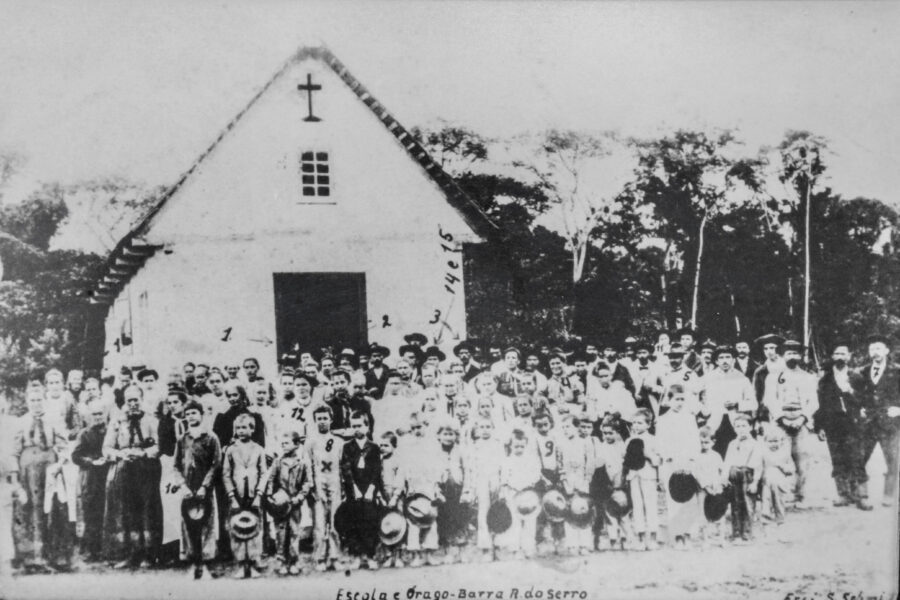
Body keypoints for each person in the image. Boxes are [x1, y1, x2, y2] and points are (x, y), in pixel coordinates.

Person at [103, 384, 160, 568]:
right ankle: (129, 554)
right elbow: (107, 448)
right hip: (125, 470)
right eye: (129, 401)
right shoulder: (117, 421)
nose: (133, 404)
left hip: (146, 470)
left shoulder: (151, 420)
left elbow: (159, 447)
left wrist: (144, 453)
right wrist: (121, 454)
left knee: (146, 511)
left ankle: (148, 554)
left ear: (141, 400)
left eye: (136, 400)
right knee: (126, 512)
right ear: (125, 403)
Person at [14, 384, 65, 568]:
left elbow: (63, 444)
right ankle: (34, 557)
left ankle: (53, 556)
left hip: (49, 468)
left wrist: (59, 464)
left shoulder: (54, 419)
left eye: (39, 400)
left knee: (51, 508)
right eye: (32, 400)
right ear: (27, 402)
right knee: (31, 509)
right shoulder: (21, 421)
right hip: (28, 469)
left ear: (44, 400)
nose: (36, 404)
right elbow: (15, 450)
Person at [763, 340, 818, 508]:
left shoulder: (808, 377)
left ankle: (801, 496)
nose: (792, 356)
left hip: (801, 421)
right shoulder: (774, 376)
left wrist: (802, 418)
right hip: (781, 421)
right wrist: (783, 419)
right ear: (783, 355)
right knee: (780, 459)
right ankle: (782, 496)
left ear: (800, 356)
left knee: (803, 460)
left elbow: (814, 402)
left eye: (796, 353)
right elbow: (769, 400)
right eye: (789, 353)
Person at [173, 399, 221, 580]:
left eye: (194, 413)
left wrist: (205, 486)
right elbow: (176, 465)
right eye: (187, 414)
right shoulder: (182, 439)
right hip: (188, 488)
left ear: (201, 414)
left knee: (206, 525)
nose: (190, 416)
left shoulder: (211, 437)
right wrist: (182, 485)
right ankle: (193, 563)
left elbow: (216, 464)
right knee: (188, 525)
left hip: (204, 490)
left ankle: (206, 564)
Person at [815, 344, 866, 507]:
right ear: (832, 356)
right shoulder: (825, 380)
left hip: (852, 424)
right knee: (838, 459)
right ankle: (843, 494)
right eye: (836, 353)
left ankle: (861, 496)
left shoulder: (857, 378)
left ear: (849, 356)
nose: (839, 356)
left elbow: (864, 402)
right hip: (832, 425)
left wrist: (850, 391)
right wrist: (820, 427)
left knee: (856, 458)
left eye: (843, 353)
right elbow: (820, 405)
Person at [857, 334, 900, 509]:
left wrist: (899, 409)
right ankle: (862, 495)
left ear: (887, 351)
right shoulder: (861, 372)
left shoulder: (897, 371)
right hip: (867, 423)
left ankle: (888, 495)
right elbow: (855, 395)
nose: (876, 352)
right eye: (872, 349)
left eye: (879, 348)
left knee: (892, 460)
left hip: (889, 424)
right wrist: (858, 408)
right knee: (859, 458)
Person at [656, 385, 701, 550]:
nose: (680, 403)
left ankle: (689, 534)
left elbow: (695, 442)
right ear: (669, 400)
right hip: (671, 464)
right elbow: (661, 443)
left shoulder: (689, 418)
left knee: (689, 499)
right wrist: (672, 460)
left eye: (682, 399)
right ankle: (678, 535)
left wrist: (690, 461)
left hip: (687, 463)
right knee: (674, 499)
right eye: (677, 399)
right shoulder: (663, 420)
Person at [222, 413, 267, 578]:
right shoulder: (230, 450)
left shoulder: (259, 449)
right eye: (238, 428)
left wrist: (259, 495)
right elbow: (226, 475)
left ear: (252, 429)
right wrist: (232, 497)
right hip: (237, 496)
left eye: (244, 427)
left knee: (255, 529)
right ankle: (241, 564)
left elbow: (264, 473)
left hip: (254, 495)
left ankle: (254, 563)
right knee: (237, 528)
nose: (241, 431)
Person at [339, 411, 384, 569]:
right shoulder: (347, 447)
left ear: (367, 426)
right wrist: (354, 489)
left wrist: (372, 488)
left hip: (369, 488)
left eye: (360, 425)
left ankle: (370, 555)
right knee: (354, 521)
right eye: (354, 426)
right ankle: (357, 555)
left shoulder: (374, 447)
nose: (357, 429)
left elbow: (377, 470)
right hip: (354, 489)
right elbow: (346, 469)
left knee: (370, 521)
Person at [265, 428, 312, 575]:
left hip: (295, 503)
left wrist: (299, 497)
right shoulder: (278, 462)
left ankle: (294, 561)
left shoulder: (303, 463)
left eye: (287, 443)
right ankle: (282, 561)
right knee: (280, 532)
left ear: (297, 444)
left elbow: (307, 483)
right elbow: (271, 479)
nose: (283, 446)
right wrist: (271, 495)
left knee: (293, 532)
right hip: (279, 503)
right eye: (282, 443)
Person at [305, 405, 345, 572]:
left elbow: (342, 466)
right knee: (320, 524)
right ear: (315, 421)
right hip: (318, 486)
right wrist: (312, 487)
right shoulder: (310, 442)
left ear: (331, 419)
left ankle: (334, 556)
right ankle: (320, 557)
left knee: (335, 522)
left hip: (335, 484)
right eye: (319, 419)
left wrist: (342, 487)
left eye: (325, 418)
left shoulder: (338, 442)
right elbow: (308, 465)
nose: (322, 421)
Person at [71, 400, 110, 562]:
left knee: (108, 512)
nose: (98, 417)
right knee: (92, 513)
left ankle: (108, 549)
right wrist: (91, 461)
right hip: (91, 478)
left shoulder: (110, 432)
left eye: (100, 413)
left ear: (105, 414)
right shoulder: (84, 434)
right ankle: (92, 551)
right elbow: (75, 456)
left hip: (108, 475)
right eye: (94, 414)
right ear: (89, 416)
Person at [461, 417, 504, 562]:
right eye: (482, 427)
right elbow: (470, 469)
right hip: (481, 481)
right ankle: (486, 547)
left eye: (488, 426)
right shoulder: (473, 447)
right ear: (477, 429)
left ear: (492, 428)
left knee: (498, 512)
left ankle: (498, 546)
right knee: (483, 513)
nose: (485, 429)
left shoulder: (498, 445)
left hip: (496, 481)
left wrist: (502, 484)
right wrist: (470, 488)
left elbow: (503, 466)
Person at [499, 428, 542, 559]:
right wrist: (508, 490)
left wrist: (528, 484)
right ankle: (515, 548)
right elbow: (504, 478)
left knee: (530, 521)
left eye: (522, 446)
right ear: (510, 445)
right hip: (513, 493)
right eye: (516, 446)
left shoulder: (531, 459)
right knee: (515, 522)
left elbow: (536, 475)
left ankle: (528, 548)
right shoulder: (507, 460)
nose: (519, 449)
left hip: (527, 493)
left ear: (526, 445)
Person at [625, 409, 660, 551]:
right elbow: (625, 459)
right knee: (637, 506)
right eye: (634, 423)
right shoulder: (629, 440)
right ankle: (640, 538)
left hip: (648, 475)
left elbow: (658, 460)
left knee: (650, 506)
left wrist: (648, 454)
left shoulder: (653, 440)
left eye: (640, 423)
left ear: (648, 424)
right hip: (634, 476)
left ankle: (652, 539)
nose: (636, 426)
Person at [724, 414, 762, 544]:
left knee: (747, 505)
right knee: (735, 505)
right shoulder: (732, 444)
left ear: (750, 427)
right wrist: (725, 477)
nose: (741, 429)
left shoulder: (755, 444)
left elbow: (758, 465)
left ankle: (746, 534)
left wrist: (755, 482)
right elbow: (727, 462)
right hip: (734, 475)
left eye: (744, 426)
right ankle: (736, 534)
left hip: (748, 475)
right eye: (738, 426)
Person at [557, 415, 592, 555]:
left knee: (583, 510)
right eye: (564, 427)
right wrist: (564, 481)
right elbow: (559, 463)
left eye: (568, 427)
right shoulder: (561, 444)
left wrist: (586, 480)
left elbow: (590, 463)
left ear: (577, 428)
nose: (566, 430)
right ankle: (572, 544)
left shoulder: (585, 443)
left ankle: (585, 544)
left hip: (582, 481)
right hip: (568, 482)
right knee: (570, 511)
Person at [596, 416, 629, 551]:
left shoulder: (622, 446)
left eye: (611, 433)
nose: (607, 436)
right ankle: (613, 539)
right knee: (609, 513)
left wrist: (623, 481)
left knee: (624, 512)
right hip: (607, 484)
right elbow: (600, 466)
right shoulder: (601, 447)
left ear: (617, 432)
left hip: (620, 483)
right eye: (605, 433)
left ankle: (626, 538)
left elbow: (625, 465)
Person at [693, 426, 727, 548]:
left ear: (713, 442)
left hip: (716, 487)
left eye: (706, 442)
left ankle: (721, 538)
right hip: (703, 489)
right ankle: (706, 539)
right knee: (703, 513)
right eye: (701, 442)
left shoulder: (716, 455)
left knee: (720, 512)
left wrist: (720, 484)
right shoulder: (697, 456)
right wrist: (706, 487)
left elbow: (722, 471)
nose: (704, 445)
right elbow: (697, 473)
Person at [759, 427, 794, 528]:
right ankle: (767, 529)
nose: (773, 444)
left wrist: (781, 466)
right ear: (765, 442)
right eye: (770, 441)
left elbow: (791, 469)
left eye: (776, 441)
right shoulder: (763, 454)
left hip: (780, 485)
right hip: (766, 485)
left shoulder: (785, 454)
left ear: (781, 441)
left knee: (779, 505)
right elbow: (759, 468)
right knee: (766, 505)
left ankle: (781, 525)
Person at [752, 333, 786, 423]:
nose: (769, 351)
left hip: (787, 408)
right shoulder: (760, 371)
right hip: (766, 412)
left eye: (772, 348)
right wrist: (755, 416)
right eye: (765, 349)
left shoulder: (787, 367)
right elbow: (756, 395)